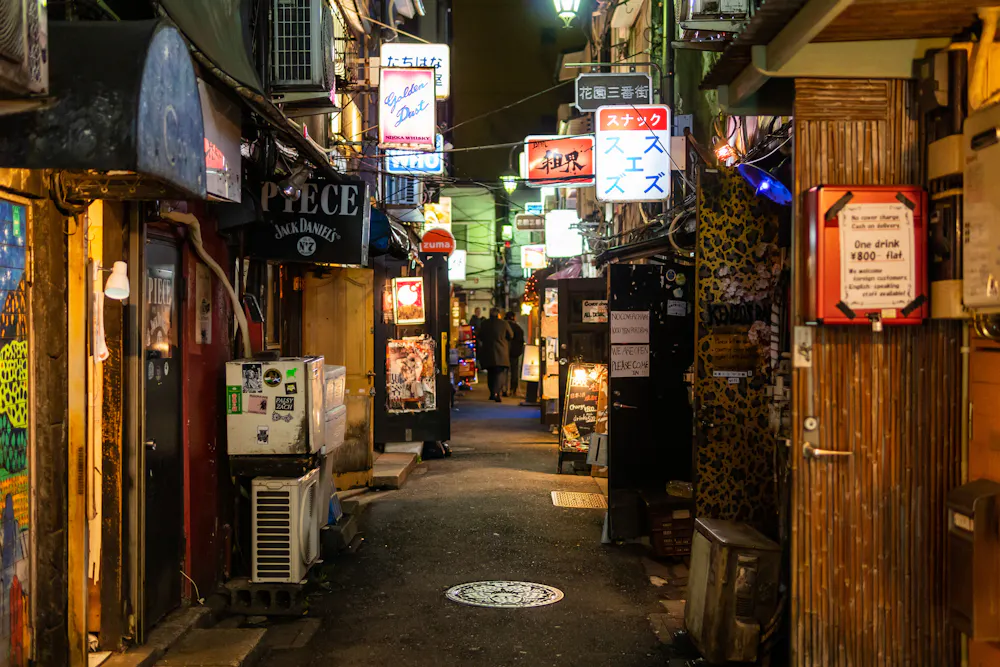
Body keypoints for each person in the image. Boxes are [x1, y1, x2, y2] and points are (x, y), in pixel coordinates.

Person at [476, 308, 513, 402]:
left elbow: (479, 336)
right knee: (499, 373)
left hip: (488, 352)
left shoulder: (484, 324)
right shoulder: (504, 323)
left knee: (491, 373)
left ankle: (492, 393)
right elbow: (511, 335)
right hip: (501, 352)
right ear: (498, 314)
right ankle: (497, 392)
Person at [504, 311, 525, 397]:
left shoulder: (503, 327)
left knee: (504, 371)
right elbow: (521, 341)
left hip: (504, 352)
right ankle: (513, 389)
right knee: (514, 372)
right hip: (515, 353)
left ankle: (504, 389)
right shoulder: (518, 328)